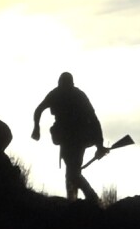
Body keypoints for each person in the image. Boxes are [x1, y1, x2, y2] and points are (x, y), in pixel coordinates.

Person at [31, 72, 109, 201]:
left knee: (72, 172)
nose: (64, 88)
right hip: (65, 137)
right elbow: (39, 109)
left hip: (79, 138)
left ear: (71, 85)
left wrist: (99, 144)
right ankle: (74, 200)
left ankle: (91, 198)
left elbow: (94, 120)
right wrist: (36, 127)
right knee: (71, 172)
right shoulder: (55, 94)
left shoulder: (79, 96)